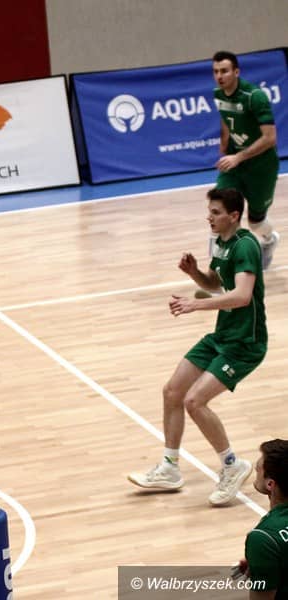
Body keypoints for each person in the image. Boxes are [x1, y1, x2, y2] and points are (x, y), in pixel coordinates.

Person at [129, 188, 266, 506]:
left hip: (245, 343)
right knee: (172, 391)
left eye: (216, 212)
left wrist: (195, 304)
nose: (209, 217)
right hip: (222, 335)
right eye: (209, 211)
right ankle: (169, 467)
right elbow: (216, 284)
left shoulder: (245, 245)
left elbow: (242, 296)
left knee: (194, 401)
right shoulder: (221, 243)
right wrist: (194, 274)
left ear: (234, 215)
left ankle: (232, 465)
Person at [211, 50, 280, 270]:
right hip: (234, 164)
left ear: (236, 72)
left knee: (256, 221)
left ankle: (269, 240)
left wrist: (239, 156)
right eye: (215, 71)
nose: (219, 76)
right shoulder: (218, 94)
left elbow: (270, 138)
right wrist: (224, 148)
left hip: (261, 165)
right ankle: (222, 268)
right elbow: (226, 120)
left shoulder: (254, 97)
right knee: (221, 208)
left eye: (224, 71)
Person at [234, 439, 288, 598]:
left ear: (270, 484)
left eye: (258, 468)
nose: (255, 468)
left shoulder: (263, 538)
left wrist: (262, 555)